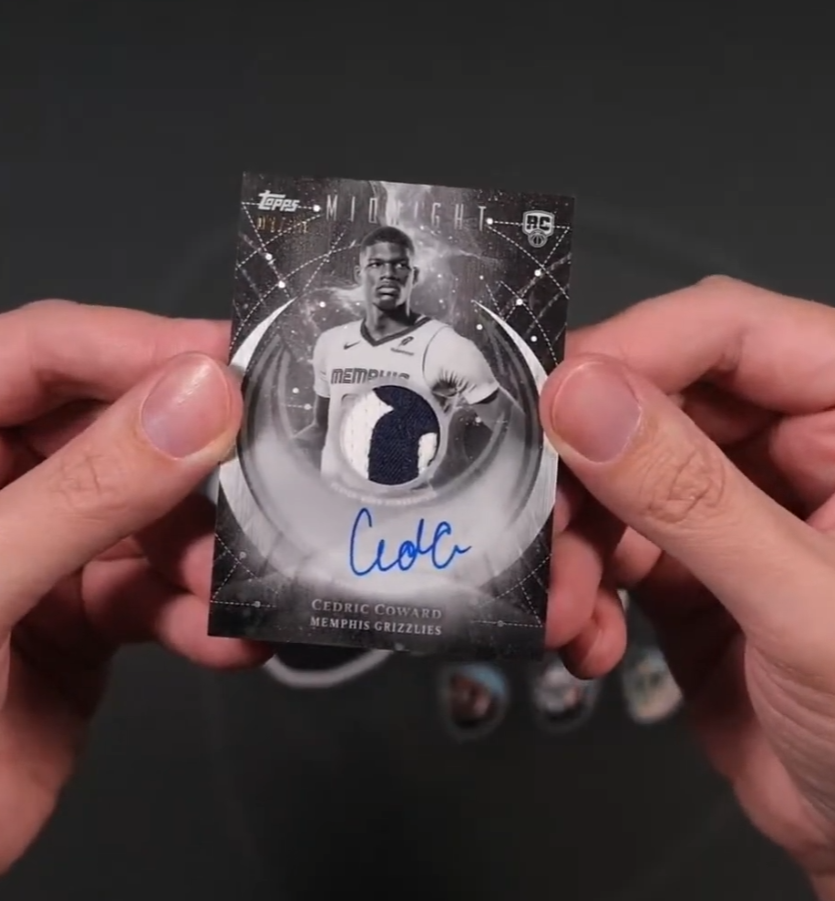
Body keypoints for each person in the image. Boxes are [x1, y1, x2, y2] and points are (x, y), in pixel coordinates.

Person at [4, 275, 835, 899]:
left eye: (398, 268)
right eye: (375, 268)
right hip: (339, 516)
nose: (386, 281)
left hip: (421, 512)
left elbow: (483, 402)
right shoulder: (330, 351)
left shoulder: (444, 351)